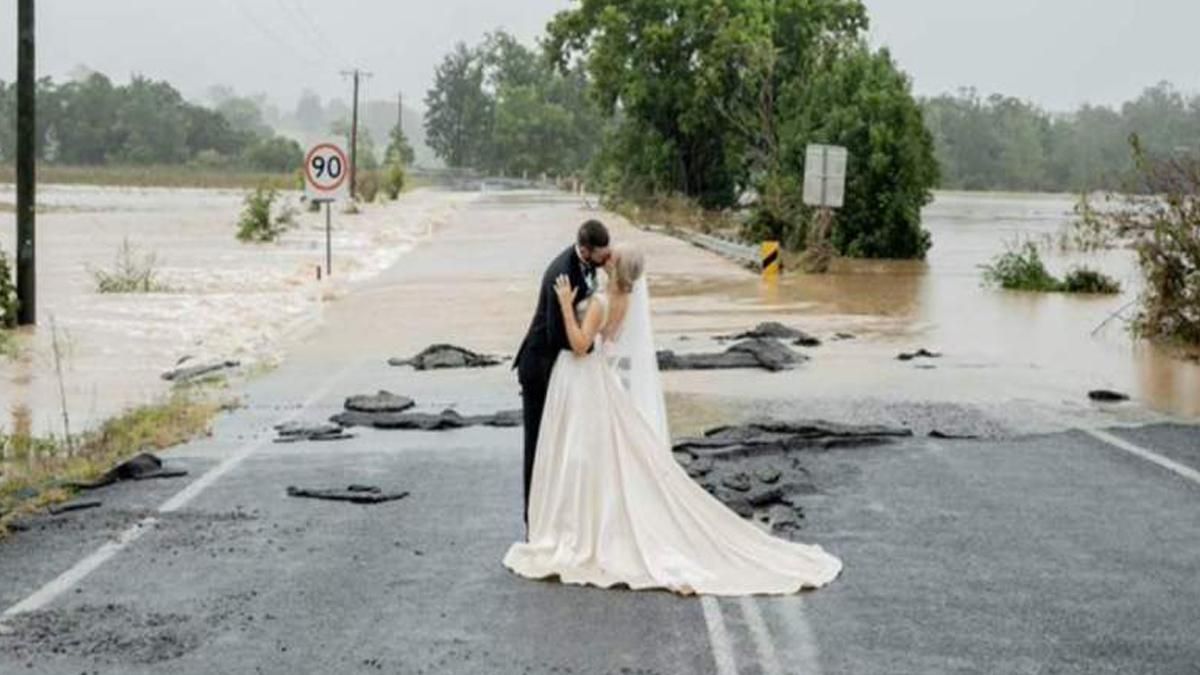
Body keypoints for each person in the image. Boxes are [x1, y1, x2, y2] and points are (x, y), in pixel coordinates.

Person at [505, 243, 842, 595]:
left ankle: (578, 525)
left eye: (612, 257)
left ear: (615, 268)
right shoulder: (625, 300)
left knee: (582, 454)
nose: (607, 257)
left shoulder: (602, 302)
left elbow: (579, 345)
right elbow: (610, 338)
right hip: (600, 380)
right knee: (605, 456)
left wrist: (564, 303)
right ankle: (594, 518)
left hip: (586, 378)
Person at [513, 220, 611, 527]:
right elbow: (557, 335)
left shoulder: (587, 264)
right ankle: (533, 517)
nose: (606, 258)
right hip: (538, 366)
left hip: (560, 366)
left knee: (557, 442)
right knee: (537, 444)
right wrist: (589, 343)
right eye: (602, 253)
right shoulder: (562, 273)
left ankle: (556, 509)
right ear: (585, 249)